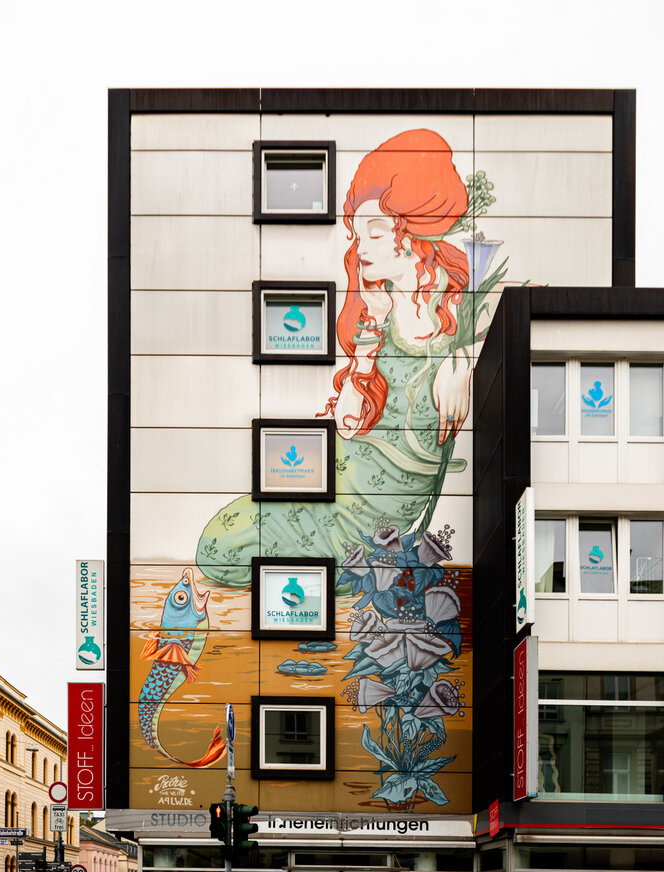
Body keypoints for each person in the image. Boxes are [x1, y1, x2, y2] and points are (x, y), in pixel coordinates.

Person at [193, 128, 506, 590]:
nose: (362, 247)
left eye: (375, 232)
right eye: (358, 235)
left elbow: (520, 317)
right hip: (337, 479)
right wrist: (367, 347)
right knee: (220, 542)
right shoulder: (376, 314)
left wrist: (462, 359)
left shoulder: (465, 308)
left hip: (376, 512)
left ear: (410, 234)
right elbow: (346, 423)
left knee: (247, 554)